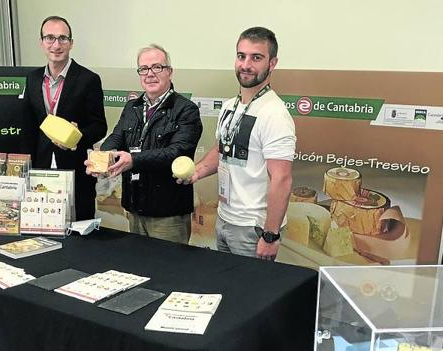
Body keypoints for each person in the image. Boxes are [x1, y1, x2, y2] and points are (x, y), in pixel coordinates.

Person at [179, 27, 296, 260]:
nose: (246, 64)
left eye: (256, 57)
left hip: (253, 228)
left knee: (252, 294)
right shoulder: (230, 106)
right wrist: (197, 172)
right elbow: (221, 150)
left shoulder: (275, 114)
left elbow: (282, 179)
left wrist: (270, 235)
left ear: (272, 63)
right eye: (241, 56)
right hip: (225, 219)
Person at [86, 44, 202, 244]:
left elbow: (177, 152)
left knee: (168, 271)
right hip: (134, 208)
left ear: (170, 72)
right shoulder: (132, 106)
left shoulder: (186, 110)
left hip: (168, 214)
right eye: (144, 69)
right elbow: (116, 137)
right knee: (139, 269)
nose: (150, 74)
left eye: (157, 67)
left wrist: (134, 160)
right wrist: (101, 159)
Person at [24, 15, 107, 220]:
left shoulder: (88, 79)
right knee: (43, 228)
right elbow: (29, 126)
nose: (56, 45)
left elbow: (99, 126)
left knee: (80, 236)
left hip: (76, 171)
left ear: (71, 43)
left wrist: (76, 137)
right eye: (50, 38)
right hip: (40, 169)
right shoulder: (32, 79)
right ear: (41, 42)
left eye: (63, 38)